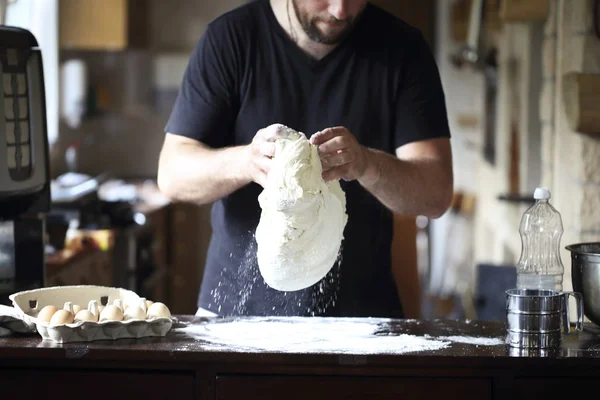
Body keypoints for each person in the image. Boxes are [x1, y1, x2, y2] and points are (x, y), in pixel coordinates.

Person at [157, 0, 454, 319]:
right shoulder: (231, 39)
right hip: (235, 314)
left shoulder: (402, 49)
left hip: (360, 322)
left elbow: (435, 195)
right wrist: (248, 161)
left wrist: (367, 164)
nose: (341, 11)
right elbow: (173, 175)